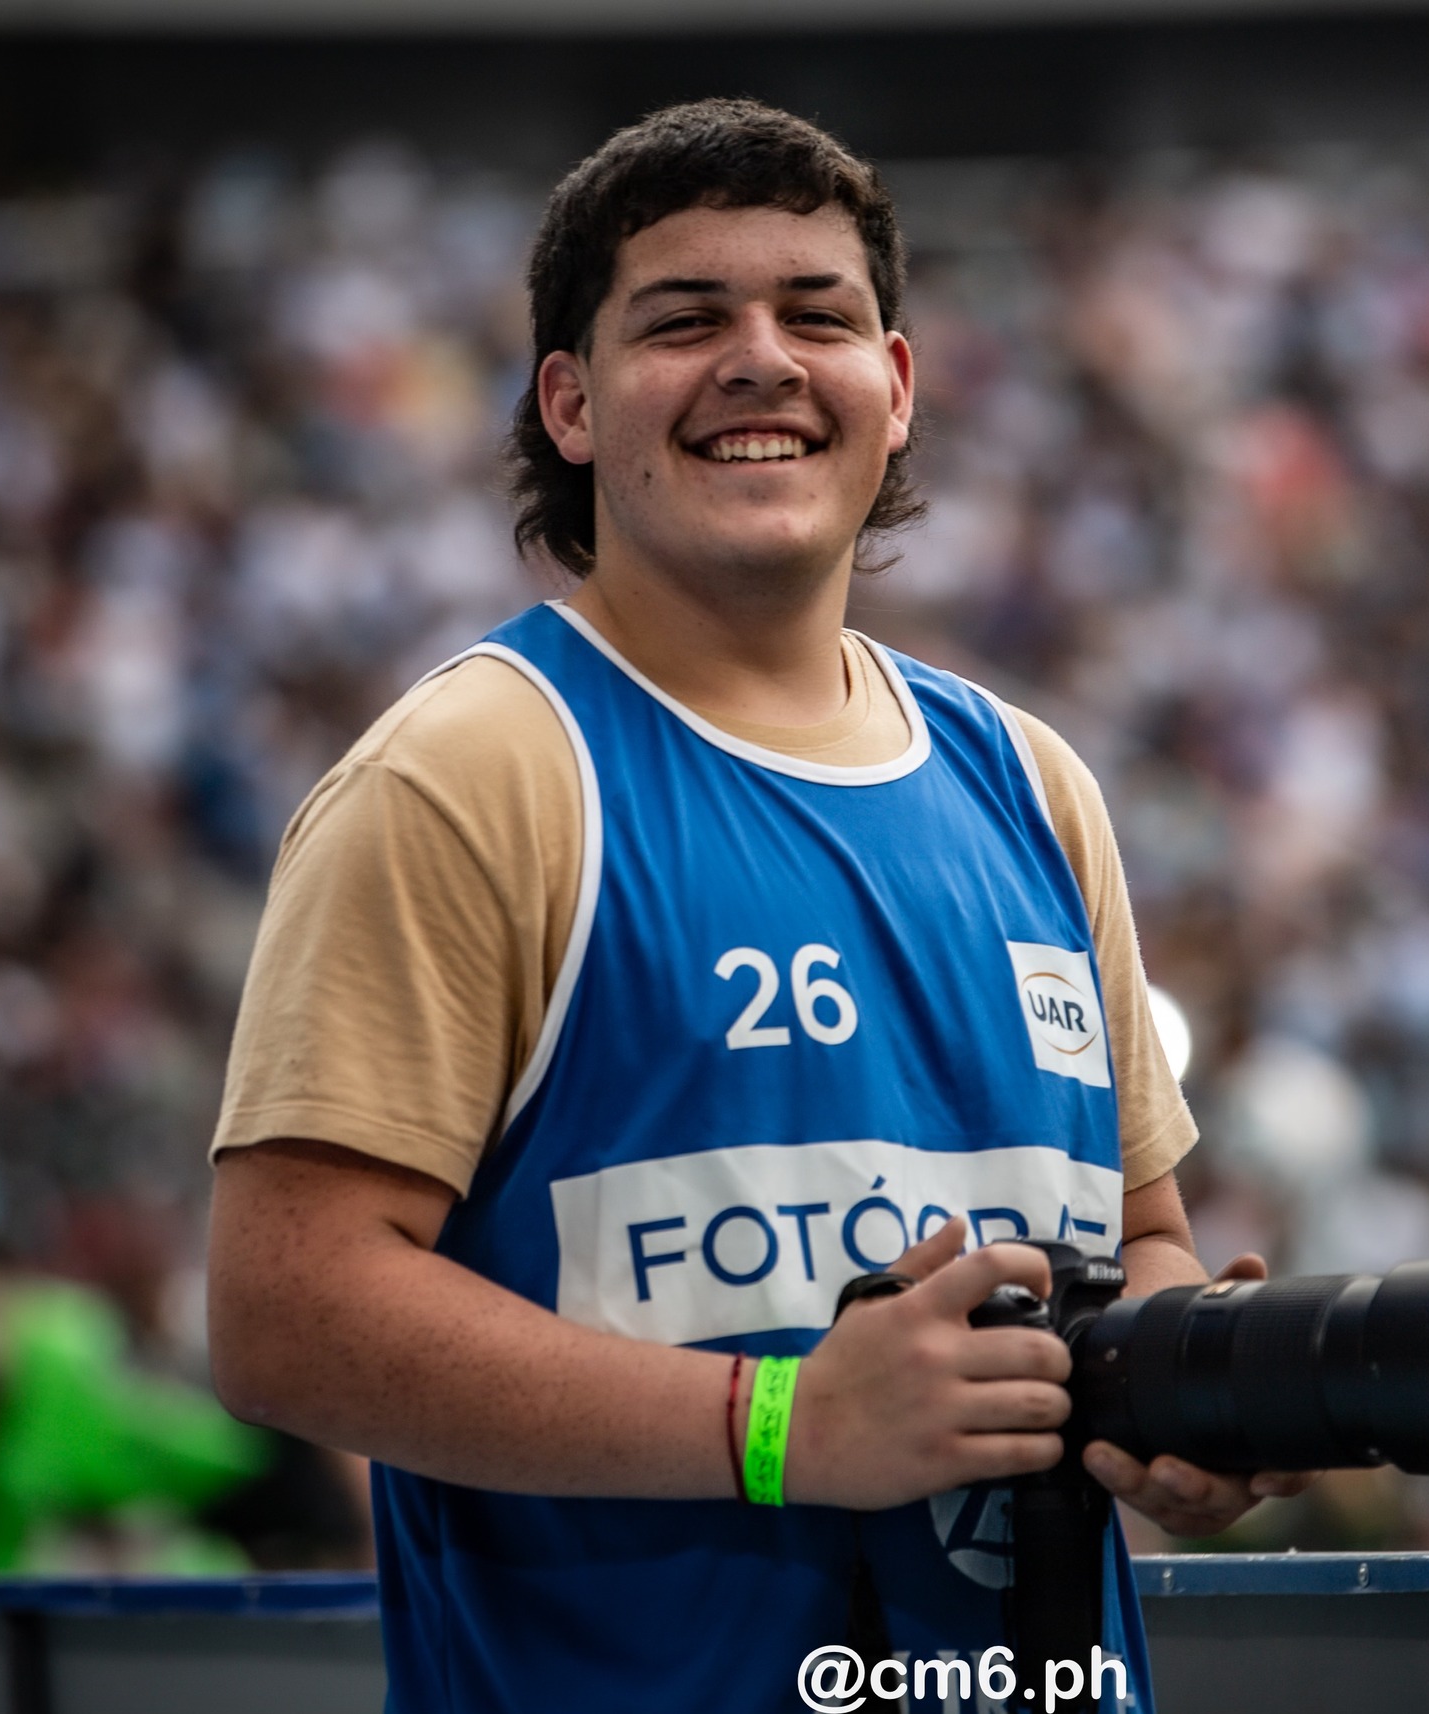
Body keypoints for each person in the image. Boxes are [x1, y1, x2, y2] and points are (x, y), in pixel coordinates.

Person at [206, 98, 1303, 1712]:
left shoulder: (1033, 782)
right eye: (685, 319)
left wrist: (1185, 1388)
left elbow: (1136, 1232)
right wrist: (785, 1426)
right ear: (568, 405)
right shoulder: (480, 767)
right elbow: (284, 1309)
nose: (763, 359)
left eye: (819, 315)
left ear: (899, 388)